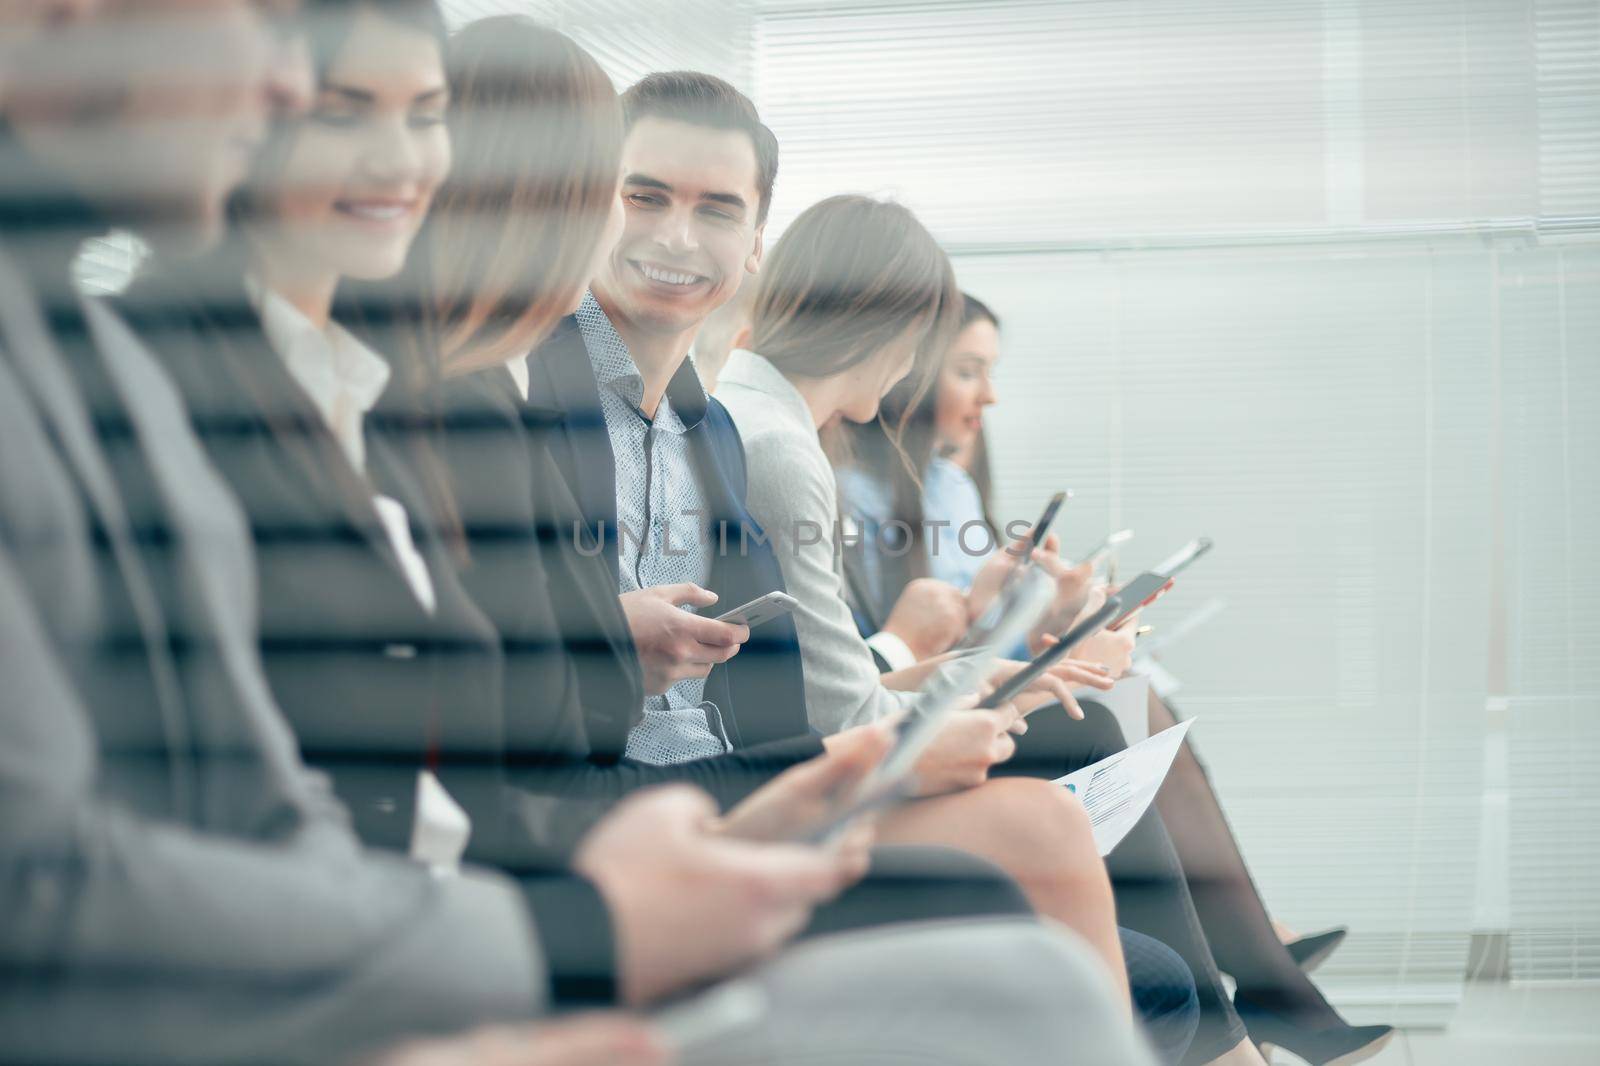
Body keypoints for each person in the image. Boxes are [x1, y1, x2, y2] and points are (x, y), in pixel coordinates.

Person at [0, 3, 1159, 1063]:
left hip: (474, 909)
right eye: (627, 195)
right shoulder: (272, 392)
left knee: (1033, 941)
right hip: (453, 928)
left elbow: (311, 807)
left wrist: (765, 810)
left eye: (424, 120)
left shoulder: (470, 410)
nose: (643, 237)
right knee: (1026, 964)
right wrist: (580, 926)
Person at [416, 21, 1192, 1040]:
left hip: (714, 787)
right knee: (1075, 894)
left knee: (1111, 912)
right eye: (642, 195)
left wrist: (948, 668)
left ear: (756, 247)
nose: (675, 237)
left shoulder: (711, 431)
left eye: (714, 210)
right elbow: (552, 729)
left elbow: (776, 689)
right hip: (627, 824)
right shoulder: (515, 399)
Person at [838, 291, 1394, 1064]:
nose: (987, 395)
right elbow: (877, 663)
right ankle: (1264, 975)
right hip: (910, 722)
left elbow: (967, 636)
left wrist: (1044, 614)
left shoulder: (950, 487)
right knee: (1112, 710)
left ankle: (1259, 976)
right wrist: (967, 628)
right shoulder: (838, 488)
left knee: (1126, 696)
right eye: (968, 370)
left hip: (952, 694)